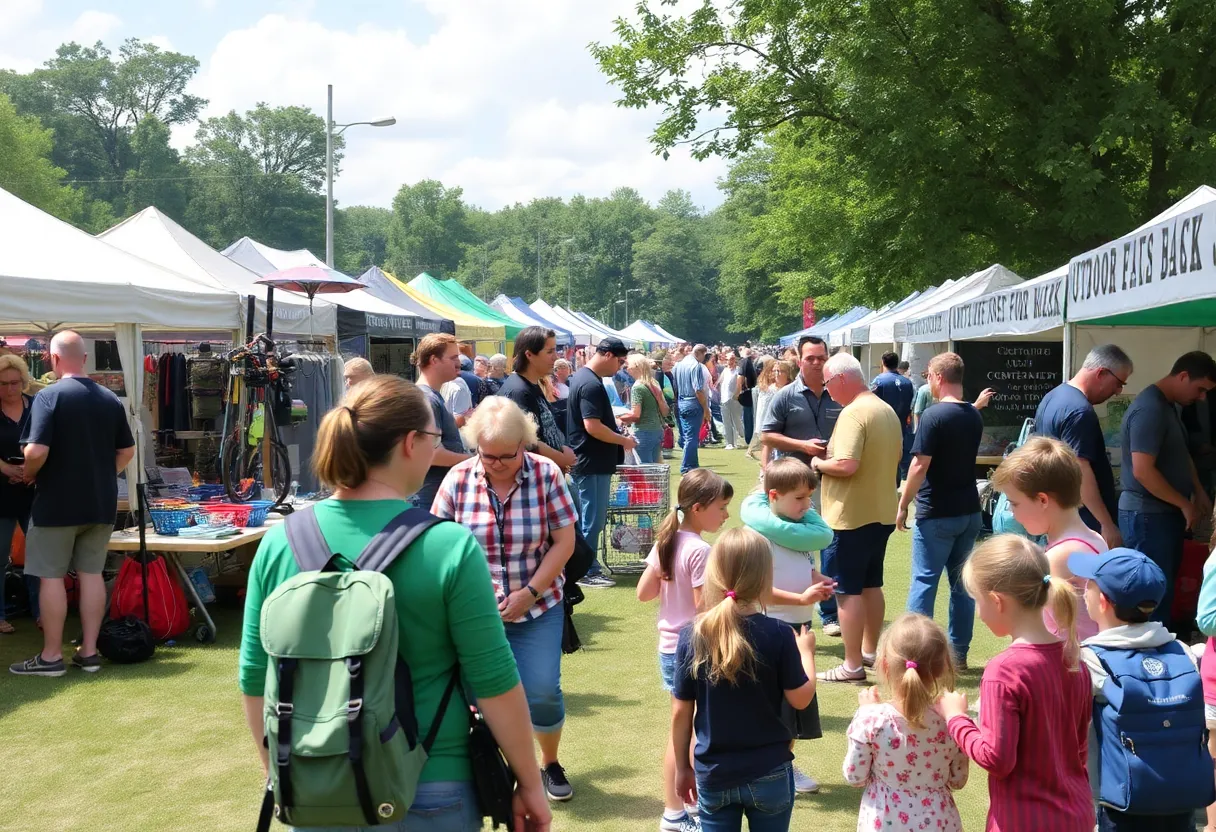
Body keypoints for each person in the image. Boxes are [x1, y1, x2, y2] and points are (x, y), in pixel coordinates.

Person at [237, 376, 551, 832]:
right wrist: (529, 782)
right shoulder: (448, 546)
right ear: (410, 443)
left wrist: (281, 772)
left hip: (318, 782)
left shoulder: (279, 542)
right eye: (434, 438)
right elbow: (494, 682)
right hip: (430, 783)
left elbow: (254, 677)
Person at [431, 396, 580, 803]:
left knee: (543, 690)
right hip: (475, 614)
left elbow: (564, 542)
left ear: (524, 445)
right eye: (487, 455)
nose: (495, 463)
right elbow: (437, 543)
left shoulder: (547, 473)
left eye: (505, 456)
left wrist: (528, 593)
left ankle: (549, 762)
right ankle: (494, 768)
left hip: (539, 606)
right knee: (477, 697)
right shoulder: (458, 479)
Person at [940, 534, 1093, 832]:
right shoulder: (1074, 660)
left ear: (997, 601)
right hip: (1076, 814)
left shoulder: (1004, 671)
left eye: (977, 602)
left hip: (1023, 820)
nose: (979, 614)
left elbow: (997, 759)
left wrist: (956, 718)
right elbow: (1080, 750)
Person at [671, 527, 818, 832]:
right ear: (765, 577)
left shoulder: (691, 635)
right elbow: (800, 699)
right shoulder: (778, 633)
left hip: (713, 774)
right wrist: (808, 655)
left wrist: (683, 768)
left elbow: (680, 713)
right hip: (770, 772)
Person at [11, 331, 135, 677]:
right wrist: (98, 473)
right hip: (100, 500)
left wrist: (29, 474)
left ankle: (52, 656)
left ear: (52, 359)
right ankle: (90, 652)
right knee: (92, 574)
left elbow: (35, 451)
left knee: (50, 576)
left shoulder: (48, 396)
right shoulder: (110, 398)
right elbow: (126, 451)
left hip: (57, 501)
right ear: (83, 358)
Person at [1073, 548, 1212, 831]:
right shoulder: (1182, 653)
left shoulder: (1088, 660)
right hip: (1180, 802)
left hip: (1116, 807)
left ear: (1102, 602)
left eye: (1090, 583)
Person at [637, 468, 735, 832]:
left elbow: (644, 593)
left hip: (669, 649)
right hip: (692, 651)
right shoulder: (700, 550)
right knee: (691, 736)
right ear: (698, 508)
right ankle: (683, 814)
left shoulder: (669, 539)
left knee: (681, 731)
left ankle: (676, 814)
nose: (725, 514)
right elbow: (703, 611)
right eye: (721, 507)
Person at [740, 458, 836, 795]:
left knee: (792, 708)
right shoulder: (760, 537)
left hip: (799, 627)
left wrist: (817, 580)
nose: (807, 506)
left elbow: (801, 568)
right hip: (771, 629)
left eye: (809, 498)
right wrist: (802, 599)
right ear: (774, 495)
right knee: (770, 705)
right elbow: (757, 589)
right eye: (799, 499)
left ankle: (784, 764)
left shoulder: (798, 532)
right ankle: (768, 765)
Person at [811, 352, 902, 683]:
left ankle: (851, 665)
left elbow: (847, 465)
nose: (827, 390)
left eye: (827, 383)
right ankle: (868, 652)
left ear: (840, 379)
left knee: (846, 590)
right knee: (870, 584)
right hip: (881, 511)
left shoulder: (853, 414)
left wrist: (818, 464)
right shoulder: (885, 410)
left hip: (850, 516)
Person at [898, 352, 985, 667]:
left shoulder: (934, 416)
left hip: (936, 512)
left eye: (928, 376)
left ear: (937, 376)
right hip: (968, 511)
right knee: (962, 586)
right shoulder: (973, 415)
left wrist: (903, 503)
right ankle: (958, 654)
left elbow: (919, 465)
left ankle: (913, 654)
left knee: (924, 582)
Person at [843, 613, 968, 832]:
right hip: (939, 821)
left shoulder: (872, 719)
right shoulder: (953, 720)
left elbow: (855, 775)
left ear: (885, 664)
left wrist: (865, 712)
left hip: (885, 820)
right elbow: (958, 780)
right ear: (942, 667)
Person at [1119, 351, 1216, 626]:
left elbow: (1181, 454)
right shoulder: (1150, 408)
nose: (1201, 398)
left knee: (1163, 592)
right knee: (1150, 599)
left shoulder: (1169, 406)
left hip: (1162, 515)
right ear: (1183, 376)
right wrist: (1184, 503)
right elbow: (1143, 470)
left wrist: (1197, 489)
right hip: (1147, 517)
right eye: (1200, 389)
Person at [761, 336, 844, 636]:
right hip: (794, 484)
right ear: (798, 359)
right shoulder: (785, 396)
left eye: (822, 357)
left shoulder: (838, 392)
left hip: (834, 481)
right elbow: (767, 436)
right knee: (793, 546)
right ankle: (791, 609)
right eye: (811, 358)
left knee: (829, 543)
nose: (817, 362)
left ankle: (829, 612)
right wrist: (802, 446)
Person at [992, 437, 1107, 644]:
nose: (1012, 512)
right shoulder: (1093, 538)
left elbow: (1032, 629)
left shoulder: (1059, 557)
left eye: (1015, 504)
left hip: (1069, 668)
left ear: (1042, 500)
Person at [1035, 344, 1134, 547]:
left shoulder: (1051, 397)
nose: (1118, 392)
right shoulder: (1080, 411)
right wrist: (1106, 524)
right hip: (1082, 522)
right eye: (1118, 383)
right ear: (1101, 373)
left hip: (1058, 515)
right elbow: (1080, 471)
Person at [566, 338, 637, 589]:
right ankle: (586, 569)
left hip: (590, 460)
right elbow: (592, 426)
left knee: (590, 518)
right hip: (590, 461)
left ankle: (587, 567)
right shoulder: (590, 384)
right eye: (619, 361)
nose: (619, 367)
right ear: (606, 355)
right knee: (592, 520)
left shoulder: (584, 379)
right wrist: (623, 440)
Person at [499, 327, 577, 472]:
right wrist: (561, 458)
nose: (555, 357)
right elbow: (528, 441)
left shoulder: (531, 384)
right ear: (529, 354)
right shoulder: (518, 391)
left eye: (555, 350)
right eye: (549, 352)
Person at [411, 334, 471, 513]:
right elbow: (431, 453)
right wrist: (474, 461)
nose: (459, 363)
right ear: (433, 360)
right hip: (428, 502)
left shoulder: (430, 396)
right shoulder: (426, 398)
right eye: (453, 358)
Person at [0, 354, 36, 635]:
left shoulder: (36, 406)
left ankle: (41, 611)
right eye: (3, 384)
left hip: (33, 490)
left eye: (15, 383)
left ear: (24, 381)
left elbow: (50, 441)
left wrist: (31, 469)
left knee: (39, 555)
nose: (10, 389)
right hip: (1, 492)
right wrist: (4, 468)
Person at [870, 351, 913, 484]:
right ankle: (899, 485)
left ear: (883, 362)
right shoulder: (907, 383)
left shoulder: (878, 381)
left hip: (883, 426)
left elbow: (871, 403)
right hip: (902, 426)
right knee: (900, 457)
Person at [625, 353, 669, 464]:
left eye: (628, 366)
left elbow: (636, 414)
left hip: (643, 431)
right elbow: (665, 410)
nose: (627, 369)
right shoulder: (654, 383)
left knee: (644, 469)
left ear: (636, 367)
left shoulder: (637, 387)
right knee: (654, 468)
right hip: (657, 430)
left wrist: (620, 418)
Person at [674, 345, 711, 474]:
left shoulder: (678, 365)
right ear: (700, 353)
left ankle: (693, 464)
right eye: (704, 355)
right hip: (693, 403)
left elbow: (675, 386)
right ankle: (686, 467)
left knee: (687, 436)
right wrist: (706, 409)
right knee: (692, 437)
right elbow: (698, 391)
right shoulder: (696, 366)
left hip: (681, 401)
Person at [750, 359, 791, 465]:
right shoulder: (767, 391)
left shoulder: (792, 390)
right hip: (771, 430)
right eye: (775, 371)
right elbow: (761, 412)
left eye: (781, 371)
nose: (777, 374)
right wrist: (761, 431)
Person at [719, 352, 746, 450]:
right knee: (727, 421)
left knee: (737, 420)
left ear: (735, 360)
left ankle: (743, 437)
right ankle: (729, 443)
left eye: (731, 359)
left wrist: (736, 395)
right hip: (724, 399)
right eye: (727, 359)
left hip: (735, 399)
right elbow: (720, 383)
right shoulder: (725, 370)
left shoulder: (738, 371)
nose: (729, 361)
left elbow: (740, 384)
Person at [739, 348, 758, 446]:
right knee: (751, 416)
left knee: (748, 417)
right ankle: (751, 439)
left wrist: (737, 392)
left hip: (748, 393)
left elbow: (741, 377)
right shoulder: (751, 362)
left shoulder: (744, 361)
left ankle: (749, 439)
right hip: (752, 391)